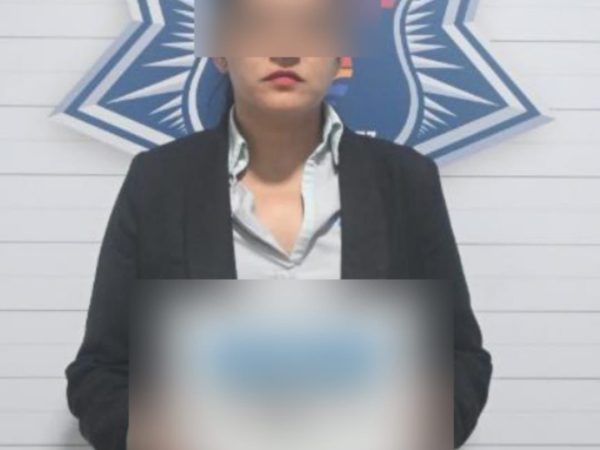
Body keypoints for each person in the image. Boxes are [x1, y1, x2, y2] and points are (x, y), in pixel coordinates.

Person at [64, 1, 493, 449]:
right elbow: (101, 372)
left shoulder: (406, 181)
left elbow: (460, 360)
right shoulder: (158, 182)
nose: (286, 49)